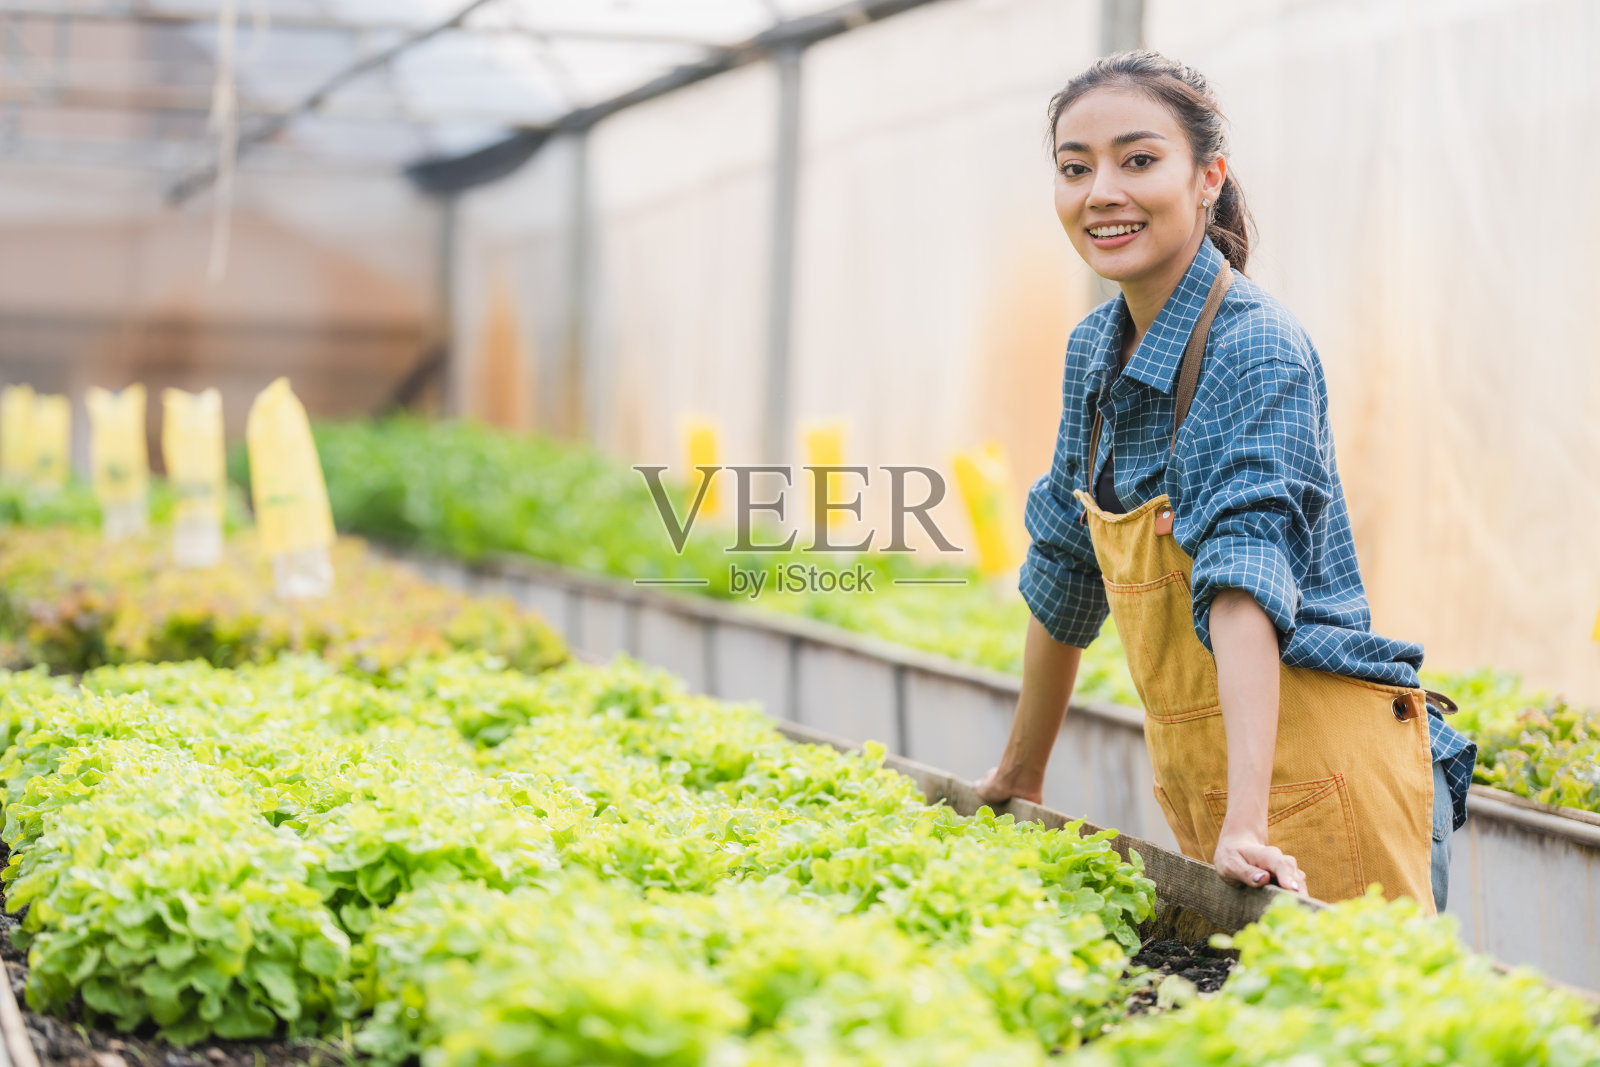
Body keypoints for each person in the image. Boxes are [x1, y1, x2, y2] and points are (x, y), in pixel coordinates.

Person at [972, 49, 1476, 914]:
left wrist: (1249, 820)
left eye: (1139, 160)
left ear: (1209, 177)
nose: (1102, 192)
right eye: (1074, 167)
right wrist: (1022, 769)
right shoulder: (1094, 350)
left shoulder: (1252, 346)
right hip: (1220, 782)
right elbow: (1064, 571)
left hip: (1325, 773)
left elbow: (1243, 580)